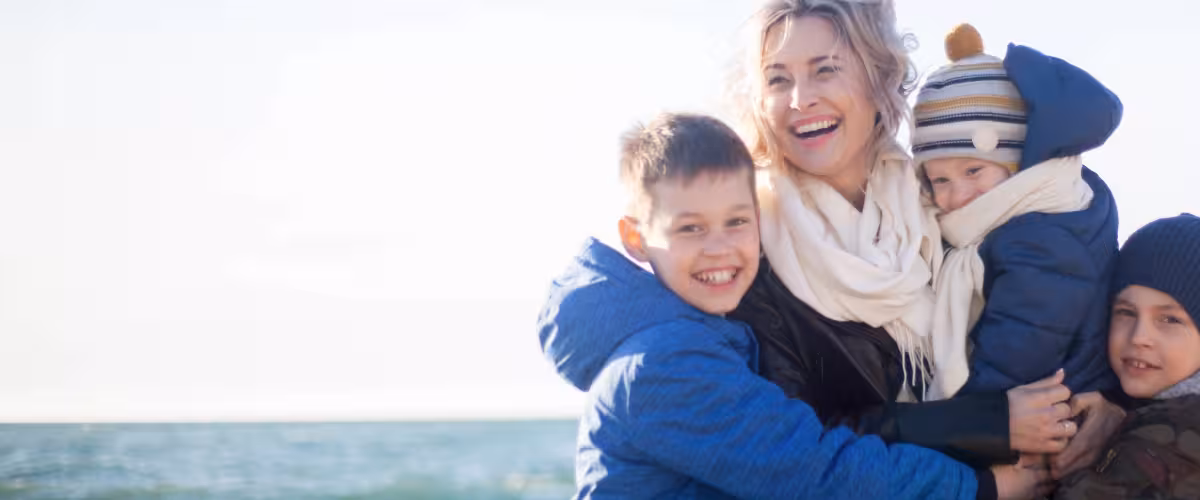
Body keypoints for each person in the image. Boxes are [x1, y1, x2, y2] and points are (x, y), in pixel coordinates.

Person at [537, 113, 1044, 499]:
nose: (719, 248)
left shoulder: (694, 339)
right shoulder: (663, 363)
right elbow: (815, 473)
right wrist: (980, 488)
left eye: (737, 221)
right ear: (636, 238)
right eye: (690, 228)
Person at [724, 0, 1116, 469]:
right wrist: (984, 429)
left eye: (825, 70)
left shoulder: (951, 196)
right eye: (777, 79)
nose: (799, 99)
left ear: (880, 76)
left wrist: (1110, 404)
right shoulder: (747, 249)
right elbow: (792, 441)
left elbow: (1075, 301)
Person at [910, 24, 1121, 402]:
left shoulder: (1041, 243)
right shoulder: (1011, 223)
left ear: (1016, 164)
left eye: (974, 170)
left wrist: (947, 426)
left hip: (1046, 417)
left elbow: (1012, 367)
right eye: (940, 179)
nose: (958, 195)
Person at [1054, 214, 1200, 499]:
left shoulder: (1182, 431)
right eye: (1126, 312)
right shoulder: (1136, 409)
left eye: (1169, 319)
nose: (1138, 337)